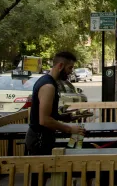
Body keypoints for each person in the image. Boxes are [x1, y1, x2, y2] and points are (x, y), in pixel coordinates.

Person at [26, 51, 86, 185]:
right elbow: (44, 120)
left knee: (46, 176)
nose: (71, 72)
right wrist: (70, 129)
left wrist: (66, 117)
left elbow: (50, 115)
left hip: (44, 136)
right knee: (41, 177)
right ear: (60, 66)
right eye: (70, 68)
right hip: (39, 139)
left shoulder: (50, 82)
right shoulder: (48, 86)